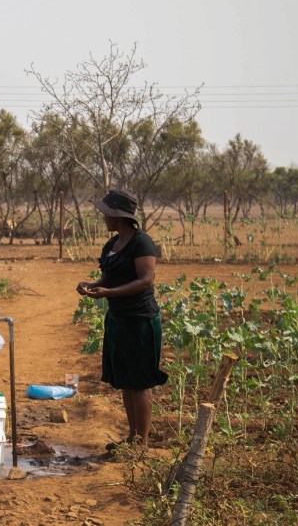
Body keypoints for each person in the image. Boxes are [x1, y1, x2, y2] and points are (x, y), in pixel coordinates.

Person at [75, 190, 168, 449]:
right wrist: (92, 285)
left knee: (140, 384)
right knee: (127, 382)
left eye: (106, 214)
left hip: (140, 320)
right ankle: (132, 437)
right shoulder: (111, 246)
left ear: (117, 216)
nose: (103, 218)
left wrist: (109, 293)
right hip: (118, 319)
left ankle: (143, 443)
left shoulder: (142, 242)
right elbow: (109, 278)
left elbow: (145, 280)